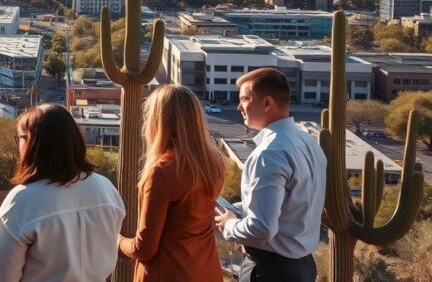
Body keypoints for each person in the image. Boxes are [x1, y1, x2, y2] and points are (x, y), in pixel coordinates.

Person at [0, 104, 125, 282]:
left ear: (31, 142)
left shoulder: (23, 199)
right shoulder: (106, 188)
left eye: (19, 138)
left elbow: (1, 277)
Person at [215, 68, 326, 282]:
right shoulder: (308, 142)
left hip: (270, 271)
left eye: (245, 99)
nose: (238, 107)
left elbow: (262, 228)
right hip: (303, 267)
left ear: (267, 103)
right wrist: (238, 209)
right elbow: (292, 204)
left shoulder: (269, 154)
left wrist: (228, 225)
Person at [117, 84, 225, 282]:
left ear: (159, 120)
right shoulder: (213, 163)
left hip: (168, 273)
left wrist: (117, 241)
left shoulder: (163, 171)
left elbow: (145, 249)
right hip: (206, 271)